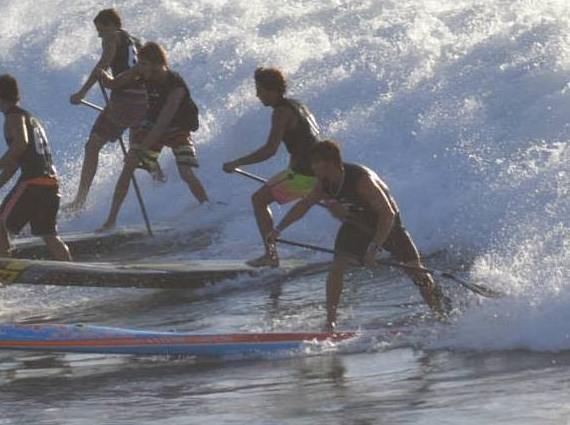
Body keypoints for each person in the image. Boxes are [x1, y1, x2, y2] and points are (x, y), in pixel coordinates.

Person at [270, 138, 447, 330]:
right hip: (357, 222)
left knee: (415, 270)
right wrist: (278, 230)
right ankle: (330, 322)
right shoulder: (324, 183)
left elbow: (387, 214)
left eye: (316, 164)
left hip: (387, 224)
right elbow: (303, 206)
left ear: (330, 164)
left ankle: (442, 313)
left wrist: (374, 247)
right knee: (338, 264)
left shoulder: (362, 180)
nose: (313, 169)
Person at [98, 41, 208, 231]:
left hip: (177, 127)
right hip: (153, 123)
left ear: (157, 64)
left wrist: (141, 148)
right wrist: (103, 76)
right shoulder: (142, 72)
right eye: (139, 63)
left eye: (143, 64)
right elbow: (114, 83)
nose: (139, 68)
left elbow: (163, 124)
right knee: (129, 165)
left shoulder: (175, 85)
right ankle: (111, 221)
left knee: (185, 172)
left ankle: (207, 206)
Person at [222, 67, 322, 267]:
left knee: (258, 200)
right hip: (321, 171)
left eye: (261, 90)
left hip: (306, 174)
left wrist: (237, 163)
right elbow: (307, 141)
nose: (257, 95)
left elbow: (270, 150)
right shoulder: (297, 104)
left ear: (274, 90)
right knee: (338, 205)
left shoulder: (281, 112)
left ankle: (270, 255)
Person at [66, 7, 160, 212]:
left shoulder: (112, 38)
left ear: (113, 25)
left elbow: (103, 64)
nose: (100, 35)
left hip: (124, 102)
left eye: (101, 30)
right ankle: (163, 187)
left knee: (92, 145)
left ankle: (79, 201)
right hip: (143, 102)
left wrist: (81, 93)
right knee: (140, 152)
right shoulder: (136, 41)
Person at [0, 73, 71, 261]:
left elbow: (20, 144)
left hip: (33, 183)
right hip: (51, 183)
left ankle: (4, 270)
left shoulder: (12, 118)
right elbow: (14, 163)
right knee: (49, 235)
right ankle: (73, 271)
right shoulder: (31, 118)